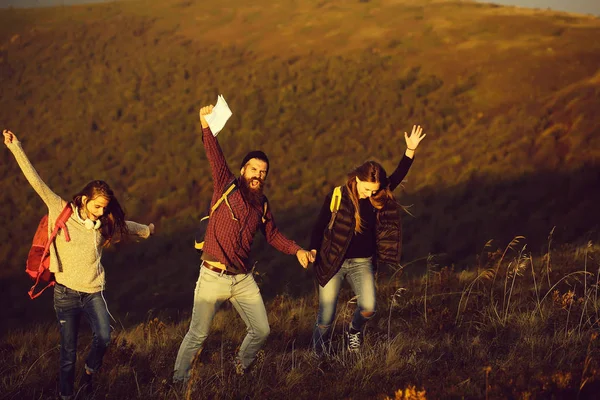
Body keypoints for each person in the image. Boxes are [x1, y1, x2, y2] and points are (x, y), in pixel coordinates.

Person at [3, 129, 155, 400]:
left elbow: (125, 227)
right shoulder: (59, 209)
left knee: (104, 337)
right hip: (65, 294)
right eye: (97, 207)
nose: (102, 213)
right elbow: (36, 182)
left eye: (104, 209)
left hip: (93, 292)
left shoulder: (104, 225)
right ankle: (66, 396)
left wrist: (146, 230)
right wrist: (16, 147)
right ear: (85, 201)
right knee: (67, 352)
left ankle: (89, 373)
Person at [173, 104, 315, 382]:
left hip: (242, 278)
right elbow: (214, 155)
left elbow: (273, 235)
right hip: (212, 276)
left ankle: (240, 369)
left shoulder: (262, 204)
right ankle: (178, 381)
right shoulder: (226, 186)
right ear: (242, 170)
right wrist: (204, 124)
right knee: (198, 333)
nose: (258, 175)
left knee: (261, 330)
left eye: (263, 172)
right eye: (253, 169)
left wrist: (297, 249)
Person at [310, 125, 426, 354]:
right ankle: (318, 354)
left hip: (362, 262)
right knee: (326, 315)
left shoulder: (378, 195)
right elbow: (319, 226)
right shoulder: (338, 195)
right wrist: (313, 250)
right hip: (333, 260)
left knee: (369, 308)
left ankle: (354, 330)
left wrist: (410, 150)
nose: (370, 194)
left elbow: (398, 174)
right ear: (357, 179)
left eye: (374, 190)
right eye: (366, 189)